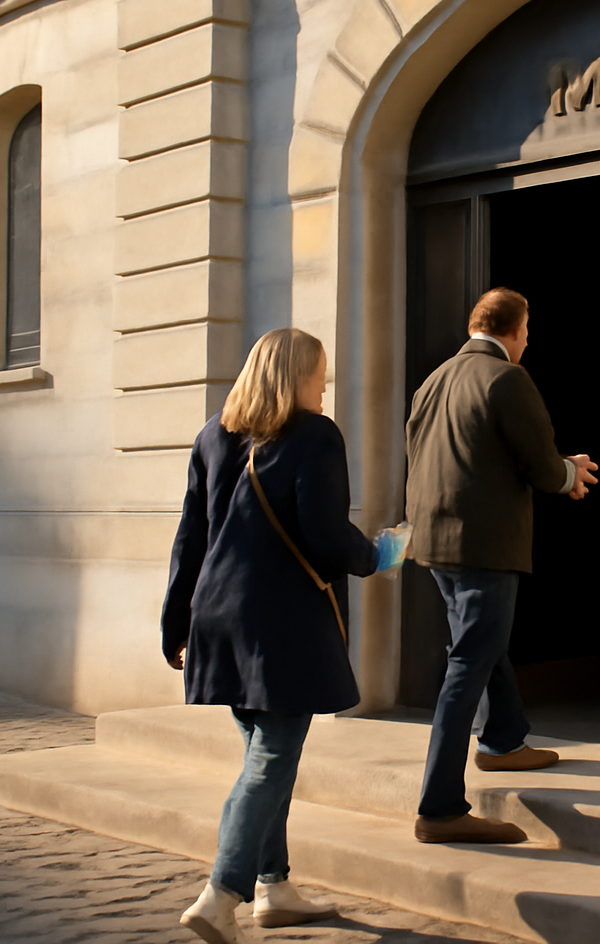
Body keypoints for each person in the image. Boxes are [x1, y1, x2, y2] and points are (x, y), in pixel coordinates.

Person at [161, 328, 395, 944]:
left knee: (265, 758)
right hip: (281, 624)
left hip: (217, 618)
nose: (326, 386)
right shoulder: (316, 435)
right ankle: (221, 893)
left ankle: (275, 885)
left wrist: (174, 622)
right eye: (321, 374)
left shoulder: (213, 433)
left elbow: (190, 538)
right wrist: (378, 556)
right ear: (296, 376)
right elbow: (323, 532)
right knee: (271, 759)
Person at [404, 287, 599, 844]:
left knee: (480, 643)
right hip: (483, 543)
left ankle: (505, 740)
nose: (528, 341)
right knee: (469, 659)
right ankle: (439, 808)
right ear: (516, 331)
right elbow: (539, 463)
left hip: (435, 540)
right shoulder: (507, 377)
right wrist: (569, 474)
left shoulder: (434, 380)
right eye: (529, 331)